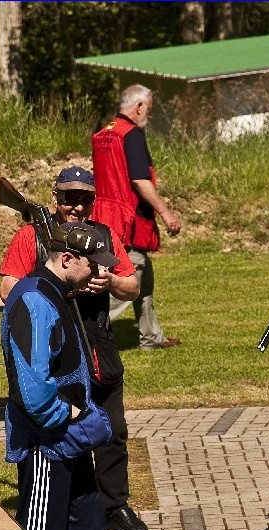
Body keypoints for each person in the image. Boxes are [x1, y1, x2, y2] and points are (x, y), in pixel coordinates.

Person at [0, 221, 168, 530]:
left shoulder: (61, 293)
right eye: (94, 263)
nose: (101, 273)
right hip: (47, 446)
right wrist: (71, 417)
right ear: (68, 258)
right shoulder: (33, 300)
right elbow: (32, 390)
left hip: (71, 444)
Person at [0, 166, 150, 530]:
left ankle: (114, 504)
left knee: (113, 430)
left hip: (98, 348)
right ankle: (49, 505)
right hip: (56, 351)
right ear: (56, 198)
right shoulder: (31, 235)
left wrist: (108, 281)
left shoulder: (104, 236)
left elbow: (132, 287)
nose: (77, 206)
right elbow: (8, 289)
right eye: (70, 198)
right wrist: (60, 284)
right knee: (54, 431)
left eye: (85, 199)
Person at [92, 83, 183, 350]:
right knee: (130, 277)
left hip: (105, 216)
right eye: (149, 110)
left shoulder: (103, 134)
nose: (149, 116)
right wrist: (166, 213)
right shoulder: (131, 134)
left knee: (145, 276)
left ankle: (151, 337)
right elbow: (140, 181)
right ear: (139, 106)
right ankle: (84, 332)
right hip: (126, 220)